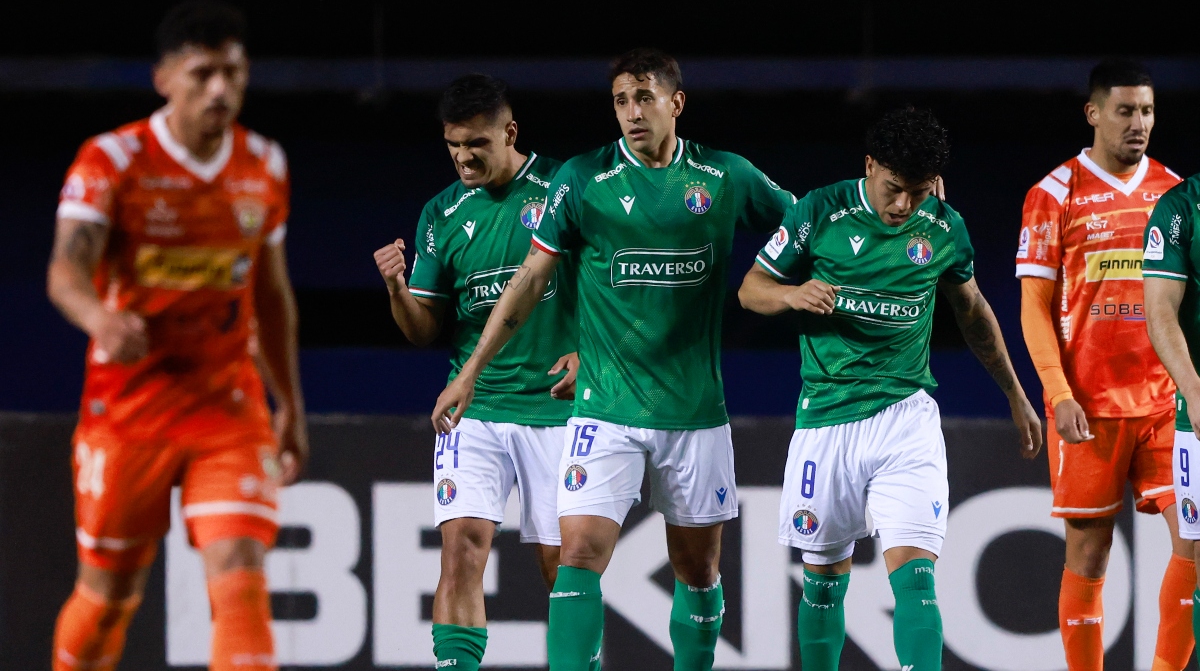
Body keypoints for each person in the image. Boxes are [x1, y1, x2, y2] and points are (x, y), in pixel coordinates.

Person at [430, 48, 796, 671]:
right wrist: (468, 373)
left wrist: (896, 207)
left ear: (675, 103)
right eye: (621, 101)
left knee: (699, 570)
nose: (631, 113)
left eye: (645, 98)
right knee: (576, 557)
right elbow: (528, 280)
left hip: (695, 409)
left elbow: (813, 228)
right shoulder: (582, 179)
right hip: (604, 409)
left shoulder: (725, 176)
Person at [45, 0, 305, 670]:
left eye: (233, 73)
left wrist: (292, 405)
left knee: (241, 570)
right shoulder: (112, 159)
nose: (221, 89)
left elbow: (271, 297)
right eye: (202, 74)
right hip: (128, 406)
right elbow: (65, 272)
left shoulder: (265, 164)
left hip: (227, 403)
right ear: (164, 77)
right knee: (108, 595)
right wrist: (99, 317)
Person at [739, 106, 1042, 670]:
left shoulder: (943, 227)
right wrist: (790, 295)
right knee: (825, 581)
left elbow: (973, 312)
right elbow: (751, 289)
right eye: (894, 189)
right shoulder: (820, 211)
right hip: (826, 419)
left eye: (920, 193)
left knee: (917, 576)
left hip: (906, 418)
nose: (904, 205)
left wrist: (1016, 394)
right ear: (870, 165)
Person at [372, 73, 579, 671]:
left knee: (561, 567)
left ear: (509, 132)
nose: (463, 157)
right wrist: (395, 287)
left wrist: (589, 352)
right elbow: (424, 328)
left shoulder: (565, 189)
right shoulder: (440, 213)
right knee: (461, 550)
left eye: (477, 145)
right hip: (475, 409)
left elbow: (611, 285)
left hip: (555, 410)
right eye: (453, 145)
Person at [1016, 59, 1192, 670]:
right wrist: (1058, 392)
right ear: (1094, 113)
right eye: (1125, 111)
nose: (1138, 123)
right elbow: (1034, 306)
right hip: (1087, 406)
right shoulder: (1053, 194)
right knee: (1088, 557)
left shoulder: (1175, 195)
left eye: (1146, 111)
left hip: (1169, 404)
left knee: (1195, 542)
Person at [1145, 170, 1200, 669]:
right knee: (1196, 557)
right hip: (1196, 417)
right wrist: (1194, 388)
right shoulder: (1181, 209)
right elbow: (1160, 309)